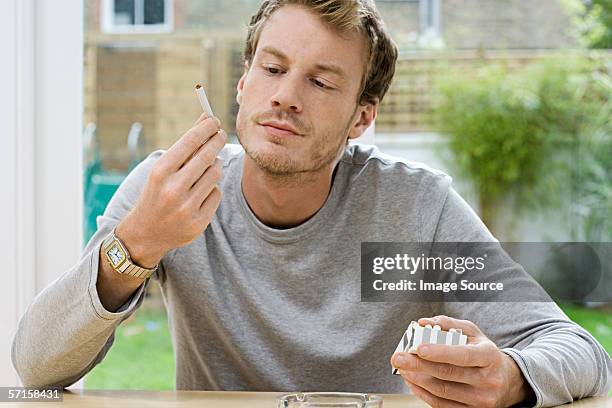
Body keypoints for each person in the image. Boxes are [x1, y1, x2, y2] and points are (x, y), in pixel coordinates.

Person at [12, 1, 611, 407]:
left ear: (361, 116)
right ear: (243, 82)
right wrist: (136, 245)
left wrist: (508, 380)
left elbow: (581, 351)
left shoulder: (413, 211)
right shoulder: (170, 192)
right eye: (272, 69)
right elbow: (35, 368)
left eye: (321, 82)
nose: (286, 98)